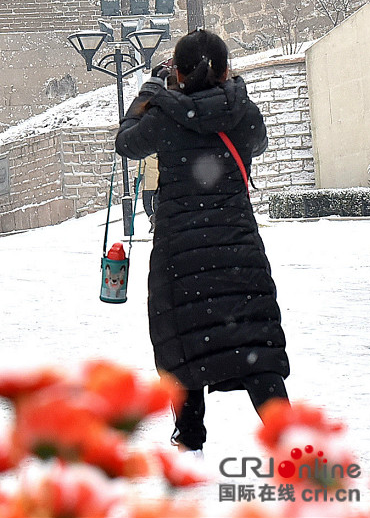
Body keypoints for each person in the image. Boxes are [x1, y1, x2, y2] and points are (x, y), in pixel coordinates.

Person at [115, 29, 290, 454]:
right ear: (227, 70)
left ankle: (189, 436)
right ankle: (289, 439)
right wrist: (235, 91)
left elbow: (126, 142)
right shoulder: (242, 114)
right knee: (254, 342)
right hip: (238, 248)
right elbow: (259, 142)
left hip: (181, 254)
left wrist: (149, 91)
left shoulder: (163, 117)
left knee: (183, 341)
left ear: (176, 72)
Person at [140, 154, 159, 234]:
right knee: (157, 204)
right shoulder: (160, 151)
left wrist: (137, 178)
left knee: (146, 204)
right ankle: (156, 221)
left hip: (148, 184)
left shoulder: (145, 152)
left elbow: (141, 167)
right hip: (158, 182)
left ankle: (152, 217)